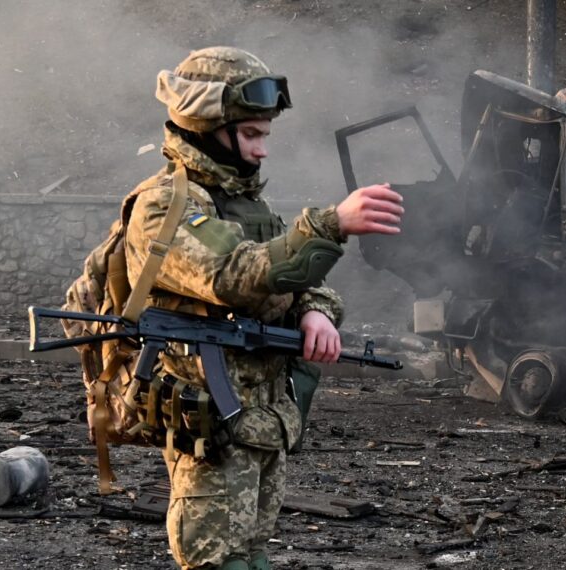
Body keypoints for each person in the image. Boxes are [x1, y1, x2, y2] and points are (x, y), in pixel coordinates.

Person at [128, 46, 404, 570]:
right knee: (215, 560)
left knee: (253, 554)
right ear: (208, 125)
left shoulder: (246, 205)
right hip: (209, 419)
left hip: (262, 418)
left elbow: (299, 279)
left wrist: (315, 311)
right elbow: (235, 276)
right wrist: (328, 225)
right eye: (251, 134)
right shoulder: (165, 206)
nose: (262, 150)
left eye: (264, 135)